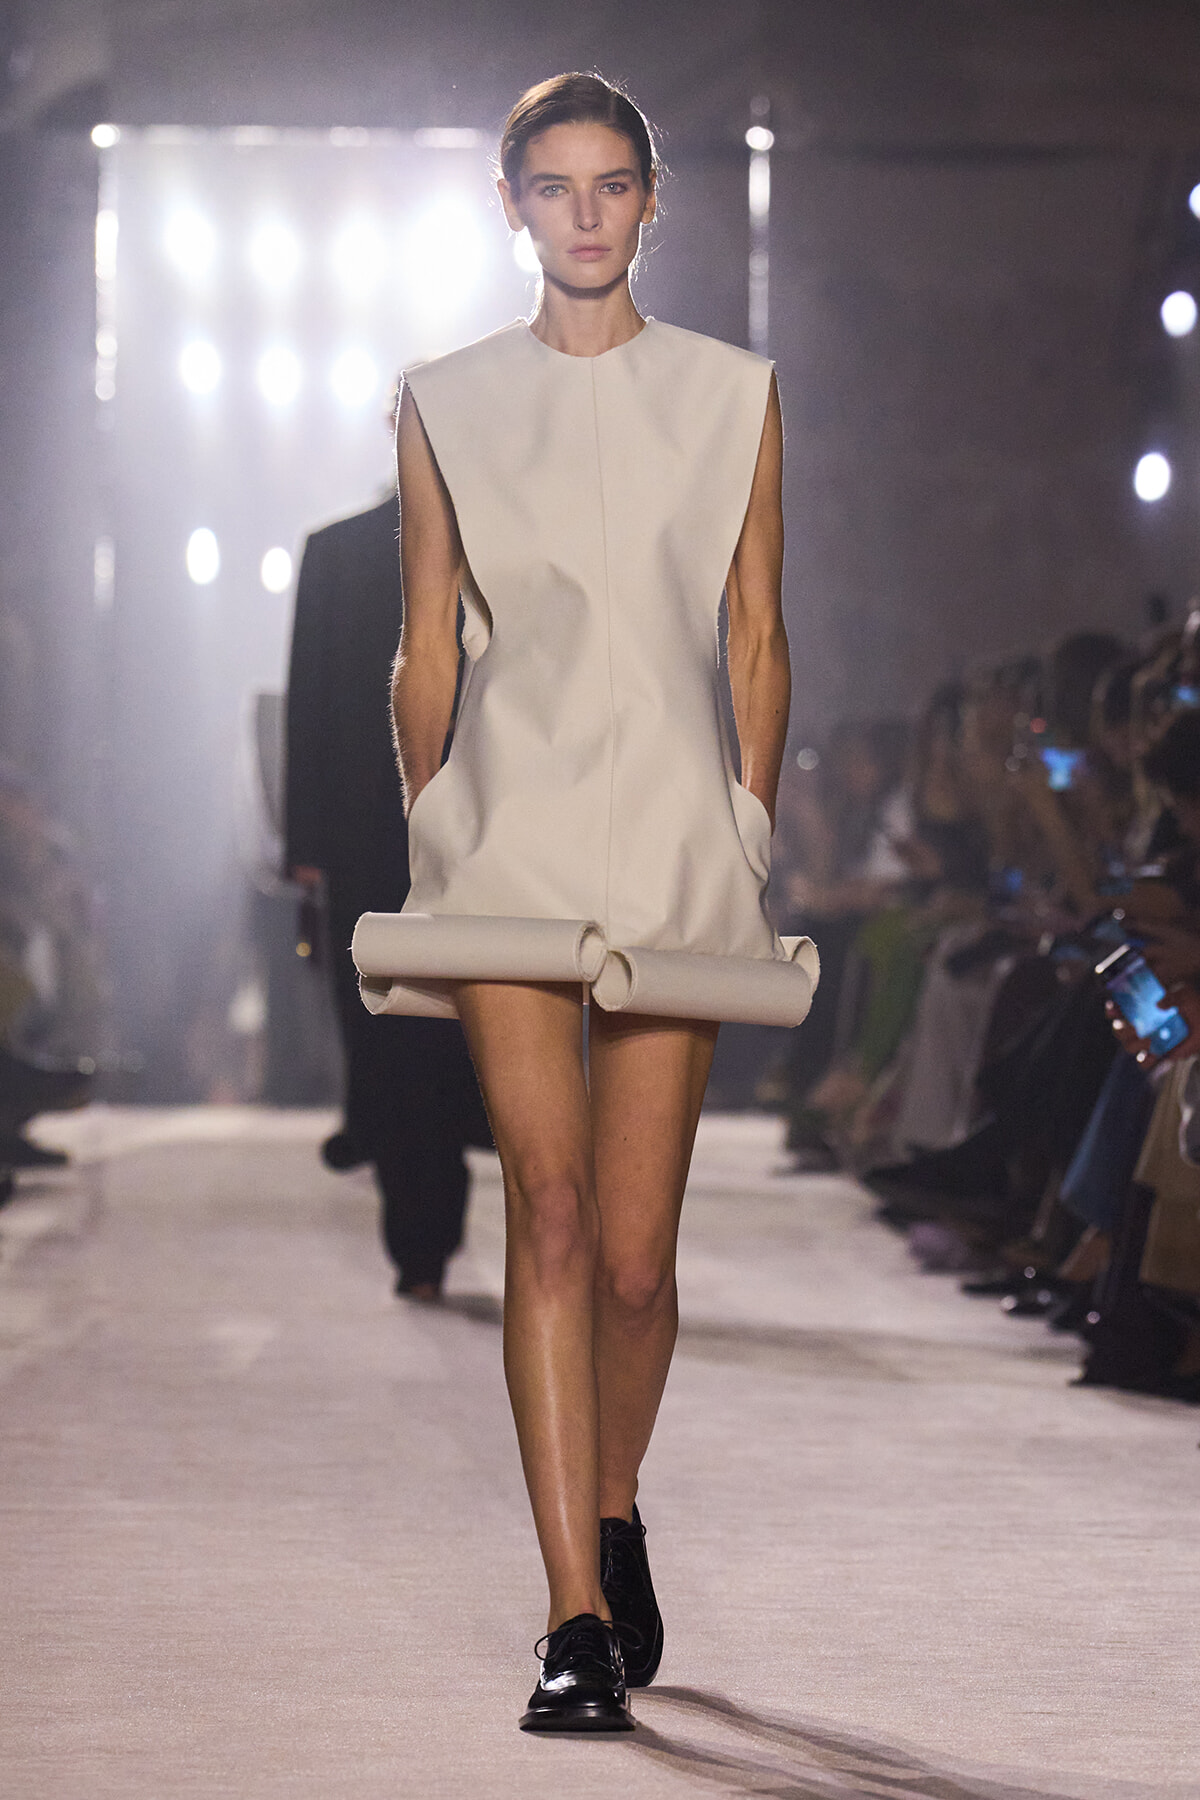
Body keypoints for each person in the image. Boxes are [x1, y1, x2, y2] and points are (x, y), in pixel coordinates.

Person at [378, 73, 814, 1731]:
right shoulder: (443, 398)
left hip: (680, 845)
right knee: (547, 1218)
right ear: (513, 205)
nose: (581, 212)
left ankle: (616, 1504)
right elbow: (427, 641)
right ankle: (571, 1615)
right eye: (552, 185)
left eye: (610, 184)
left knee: (636, 1259)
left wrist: (748, 828)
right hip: (510, 838)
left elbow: (758, 635)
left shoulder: (735, 394)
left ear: (651, 203)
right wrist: (433, 834)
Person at [283, 462, 487, 1301]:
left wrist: (307, 842)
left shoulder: (338, 551)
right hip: (465, 821)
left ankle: (417, 1224)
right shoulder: (488, 547)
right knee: (435, 1021)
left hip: (376, 829)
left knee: (397, 1021)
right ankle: (425, 1211)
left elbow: (308, 706)